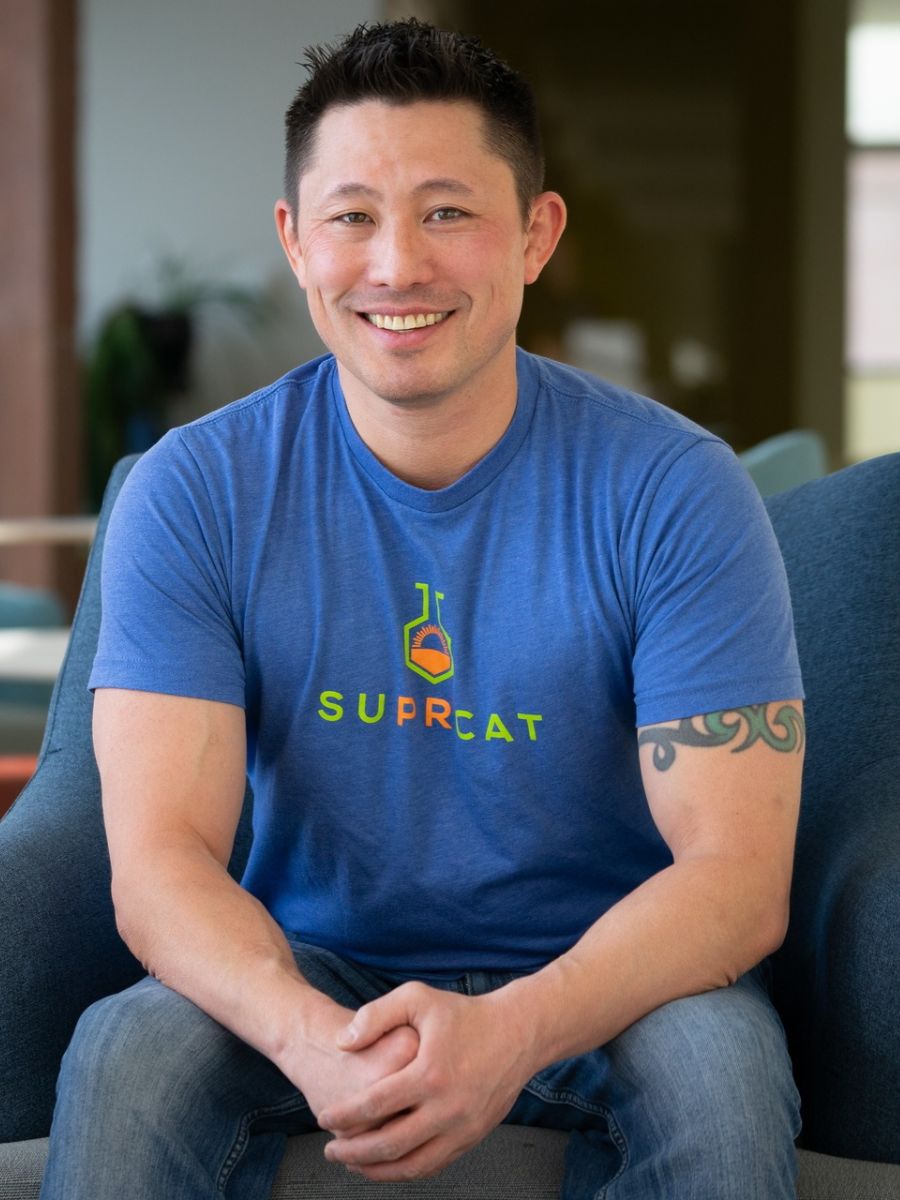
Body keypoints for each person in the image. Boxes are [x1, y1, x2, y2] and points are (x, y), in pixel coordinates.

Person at [40, 18, 805, 1200]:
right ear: (296, 241)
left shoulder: (676, 489)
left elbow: (737, 879)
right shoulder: (195, 490)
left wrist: (513, 1030)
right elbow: (159, 864)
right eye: (352, 217)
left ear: (537, 235)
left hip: (603, 976)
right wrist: (306, 1037)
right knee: (127, 1051)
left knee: (723, 1075)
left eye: (448, 212)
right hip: (310, 967)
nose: (396, 265)